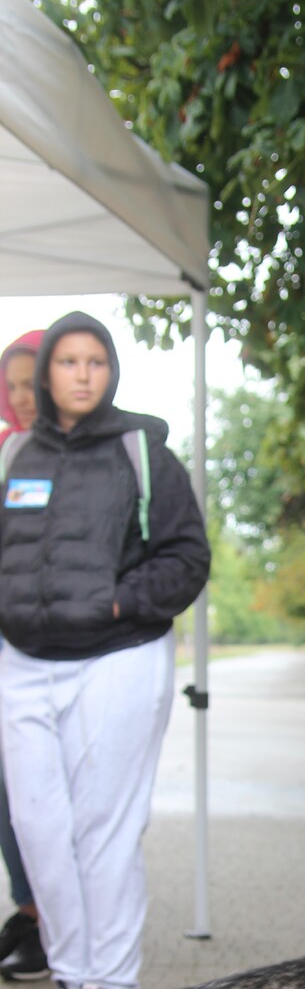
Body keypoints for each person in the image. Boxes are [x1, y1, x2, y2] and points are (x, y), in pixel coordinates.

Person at [0, 312, 211, 989]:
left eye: (96, 362)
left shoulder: (144, 451)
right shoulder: (13, 456)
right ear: (46, 374)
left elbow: (187, 558)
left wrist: (117, 602)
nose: (82, 375)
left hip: (119, 656)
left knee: (105, 834)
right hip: (23, 661)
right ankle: (70, 970)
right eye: (68, 362)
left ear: (112, 371)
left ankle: (109, 980)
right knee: (37, 829)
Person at [0, 331, 48, 981]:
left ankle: (47, 920)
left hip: (53, 644)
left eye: (28, 383)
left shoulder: (92, 452)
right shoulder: (7, 450)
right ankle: (31, 910)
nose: (19, 397)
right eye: (10, 386)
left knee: (36, 783)